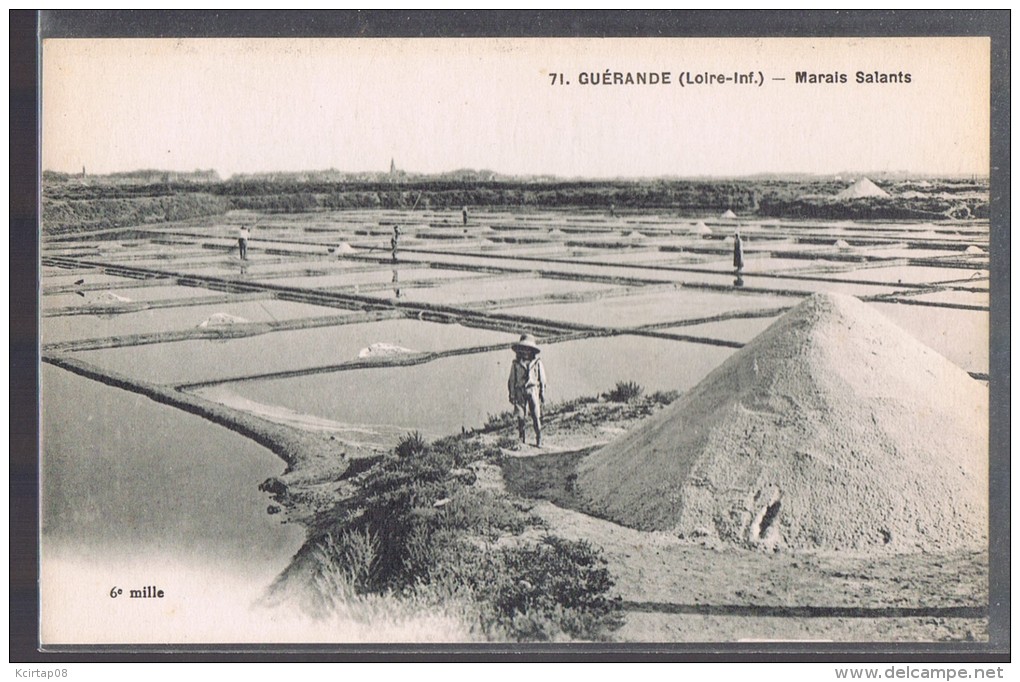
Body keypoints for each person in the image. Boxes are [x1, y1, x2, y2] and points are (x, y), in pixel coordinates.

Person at [507, 333, 547, 447]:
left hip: (533, 390)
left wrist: (542, 392)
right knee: (520, 416)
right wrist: (512, 394)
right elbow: (511, 380)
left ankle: (539, 437)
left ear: (532, 351)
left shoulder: (537, 363)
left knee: (535, 414)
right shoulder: (516, 364)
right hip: (520, 391)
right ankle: (521, 438)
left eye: (528, 349)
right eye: (523, 349)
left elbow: (542, 379)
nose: (525, 352)